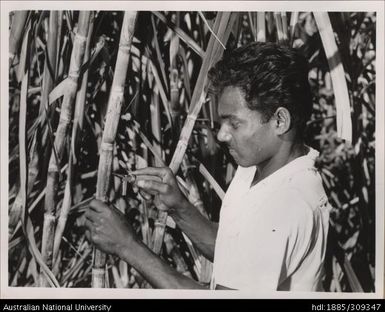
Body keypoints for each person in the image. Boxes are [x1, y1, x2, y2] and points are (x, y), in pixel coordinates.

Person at [84, 42, 331, 291]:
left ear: (280, 120)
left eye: (234, 124)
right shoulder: (259, 168)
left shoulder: (287, 204)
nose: (222, 135)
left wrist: (126, 246)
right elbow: (235, 254)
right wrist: (178, 207)